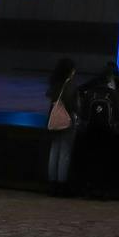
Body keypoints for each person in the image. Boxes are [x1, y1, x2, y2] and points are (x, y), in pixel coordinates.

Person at [43, 57, 78, 195]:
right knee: (64, 153)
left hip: (54, 120)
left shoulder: (55, 83)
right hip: (66, 122)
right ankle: (61, 185)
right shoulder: (68, 84)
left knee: (54, 150)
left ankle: (52, 184)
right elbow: (70, 103)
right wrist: (75, 114)